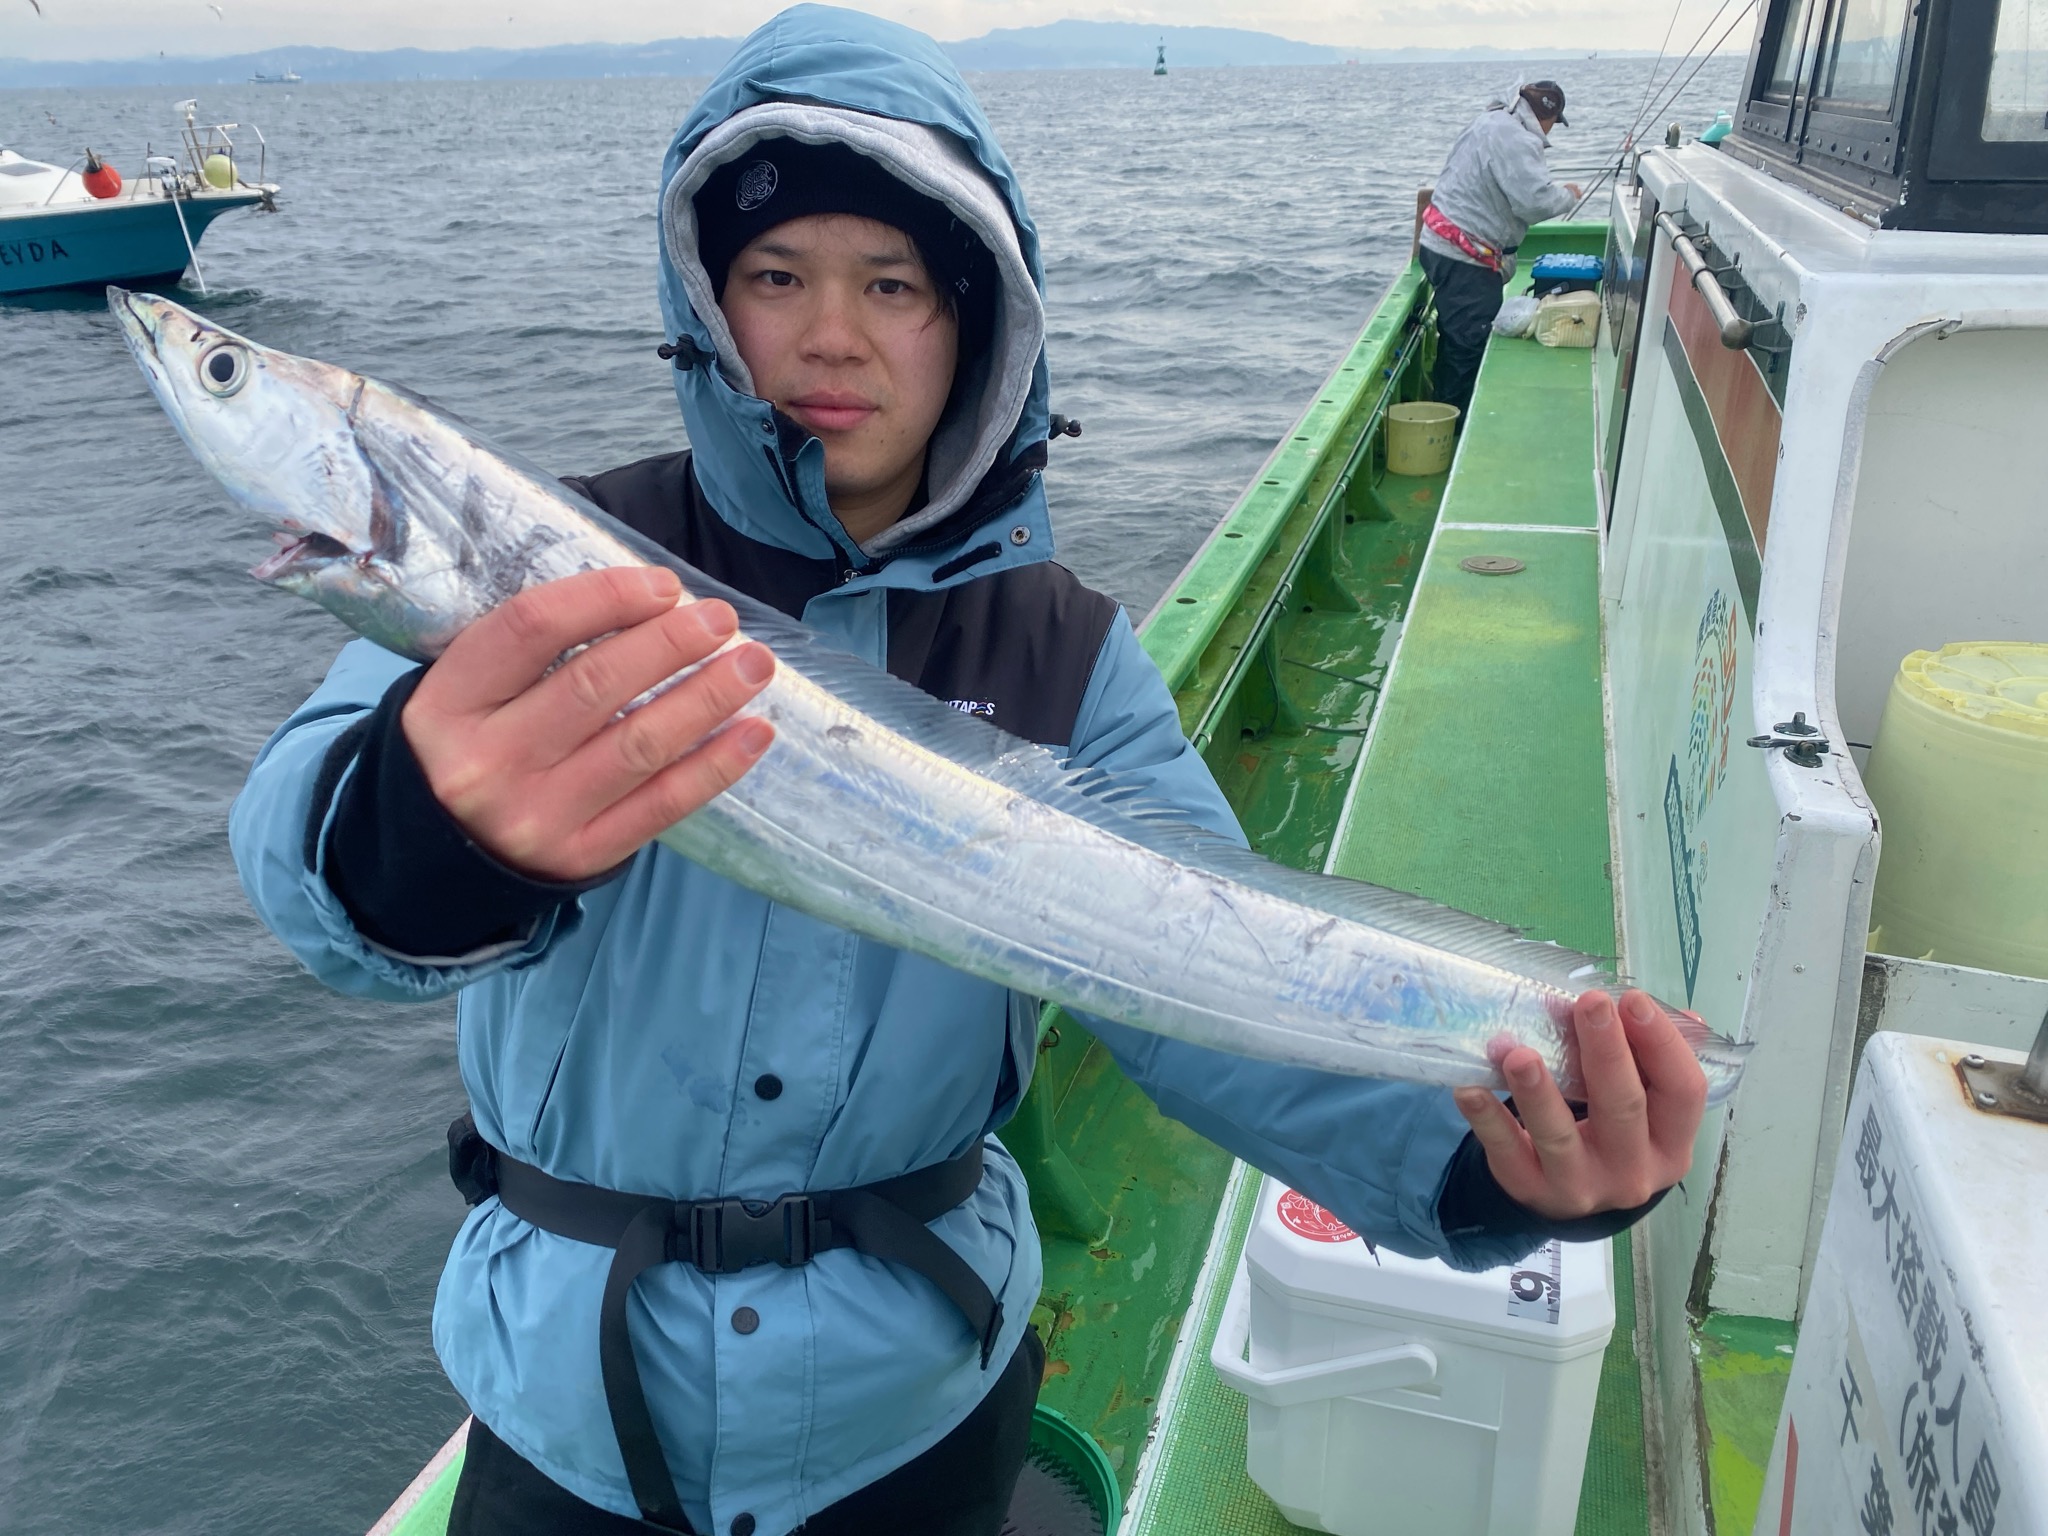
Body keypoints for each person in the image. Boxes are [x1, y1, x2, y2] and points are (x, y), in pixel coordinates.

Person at [229, 12, 1708, 1536]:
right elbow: (299, 840)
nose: (831, 336)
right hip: (566, 1410)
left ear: (976, 319)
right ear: (706, 305)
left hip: (913, 1411)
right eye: (775, 278)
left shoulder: (1061, 654)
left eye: (893, 285)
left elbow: (1215, 993)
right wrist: (417, 834)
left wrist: (1493, 1173)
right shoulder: (566, 565)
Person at [1419, 81, 1584, 417]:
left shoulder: (1490, 120)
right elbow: (1534, 203)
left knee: (1455, 341)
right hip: (1465, 261)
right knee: (1466, 349)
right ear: (1549, 117)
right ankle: (1453, 425)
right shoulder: (1519, 139)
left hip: (1437, 245)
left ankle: (1445, 412)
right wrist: (1569, 195)